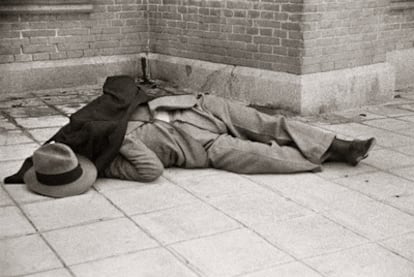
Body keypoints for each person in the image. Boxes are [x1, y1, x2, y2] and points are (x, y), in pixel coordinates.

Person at [102, 93, 376, 182]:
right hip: (201, 147)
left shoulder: (88, 126)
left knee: (269, 124)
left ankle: (341, 145)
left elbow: (124, 90)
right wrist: (120, 139)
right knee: (265, 156)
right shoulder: (109, 164)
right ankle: (334, 153)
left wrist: (145, 112)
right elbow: (151, 170)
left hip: (197, 108)